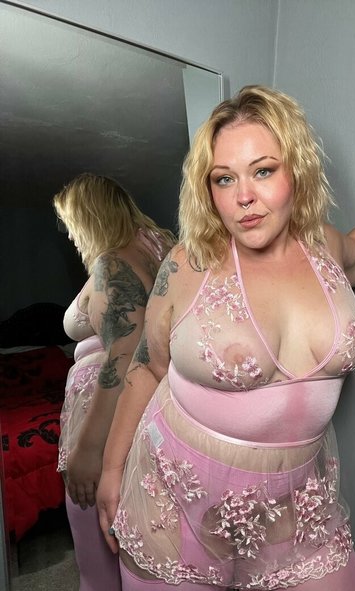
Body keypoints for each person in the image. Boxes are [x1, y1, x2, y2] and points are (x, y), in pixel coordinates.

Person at [96, 86, 355, 591]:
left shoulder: (322, 246)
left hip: (295, 504)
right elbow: (147, 368)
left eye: (263, 171)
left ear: (297, 171)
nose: (243, 196)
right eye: (224, 179)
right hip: (178, 500)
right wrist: (110, 469)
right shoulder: (187, 264)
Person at [53, 173, 176, 591]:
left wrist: (90, 451)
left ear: (87, 217)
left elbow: (123, 357)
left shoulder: (113, 265)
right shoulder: (157, 247)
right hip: (144, 410)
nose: (70, 235)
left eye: (70, 223)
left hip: (105, 418)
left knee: (97, 557)